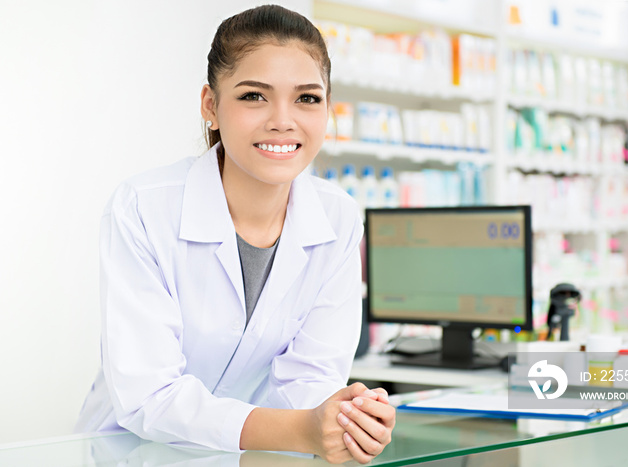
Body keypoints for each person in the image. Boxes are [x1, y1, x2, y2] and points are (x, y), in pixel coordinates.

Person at [75, 5, 395, 464]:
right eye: (253, 96)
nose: (283, 120)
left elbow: (313, 379)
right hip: (132, 455)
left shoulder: (338, 218)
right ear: (211, 106)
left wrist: (345, 419)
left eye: (307, 98)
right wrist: (304, 430)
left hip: (254, 457)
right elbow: (150, 396)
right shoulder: (143, 207)